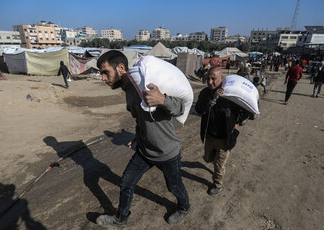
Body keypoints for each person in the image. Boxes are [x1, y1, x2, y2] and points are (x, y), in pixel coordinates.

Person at [95, 50, 190, 228]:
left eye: (105, 72)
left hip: (167, 152)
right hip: (144, 150)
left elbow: (180, 108)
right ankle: (121, 218)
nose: (103, 78)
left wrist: (162, 99)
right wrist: (139, 135)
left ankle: (184, 207)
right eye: (101, 73)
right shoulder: (128, 90)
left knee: (174, 187)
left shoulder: (145, 83)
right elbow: (140, 118)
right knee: (126, 183)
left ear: (121, 68)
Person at [195, 67, 249, 196]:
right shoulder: (205, 93)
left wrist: (237, 123)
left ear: (222, 79)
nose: (209, 82)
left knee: (219, 165)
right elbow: (199, 109)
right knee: (208, 159)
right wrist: (213, 98)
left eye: (213, 79)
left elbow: (246, 111)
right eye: (208, 78)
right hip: (210, 135)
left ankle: (217, 184)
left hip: (225, 137)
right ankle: (215, 163)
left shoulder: (231, 94)